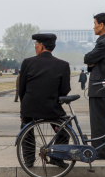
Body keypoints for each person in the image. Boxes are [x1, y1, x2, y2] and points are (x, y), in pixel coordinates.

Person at [19, 33, 71, 168]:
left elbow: (22, 89)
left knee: (27, 131)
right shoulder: (63, 65)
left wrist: (23, 110)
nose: (35, 47)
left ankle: (29, 161)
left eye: (36, 45)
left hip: (30, 108)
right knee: (64, 130)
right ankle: (57, 157)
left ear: (41, 46)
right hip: (51, 108)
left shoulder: (27, 62)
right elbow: (65, 90)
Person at [84, 12, 105, 160]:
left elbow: (88, 58)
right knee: (102, 122)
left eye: (95, 24)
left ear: (101, 26)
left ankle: (100, 153)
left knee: (98, 124)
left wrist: (92, 61)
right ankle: (101, 150)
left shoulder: (103, 42)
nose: (93, 27)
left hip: (99, 88)